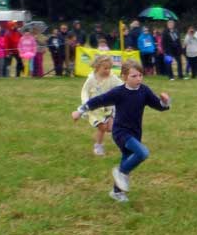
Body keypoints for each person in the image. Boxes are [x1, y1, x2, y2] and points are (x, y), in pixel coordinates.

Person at [72, 59, 170, 203]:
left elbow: (159, 106)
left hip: (135, 132)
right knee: (142, 153)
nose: (138, 79)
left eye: (140, 75)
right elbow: (98, 100)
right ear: (124, 77)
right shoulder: (119, 92)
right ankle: (120, 172)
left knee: (127, 159)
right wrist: (80, 111)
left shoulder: (144, 91)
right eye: (134, 76)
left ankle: (117, 192)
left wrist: (165, 102)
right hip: (120, 132)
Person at [79, 55, 121, 156]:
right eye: (105, 68)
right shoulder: (91, 79)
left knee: (110, 128)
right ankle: (98, 146)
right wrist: (85, 104)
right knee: (102, 127)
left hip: (108, 108)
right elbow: (84, 91)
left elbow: (121, 85)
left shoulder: (112, 78)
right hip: (95, 110)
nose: (108, 70)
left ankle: (122, 143)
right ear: (97, 67)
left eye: (109, 68)